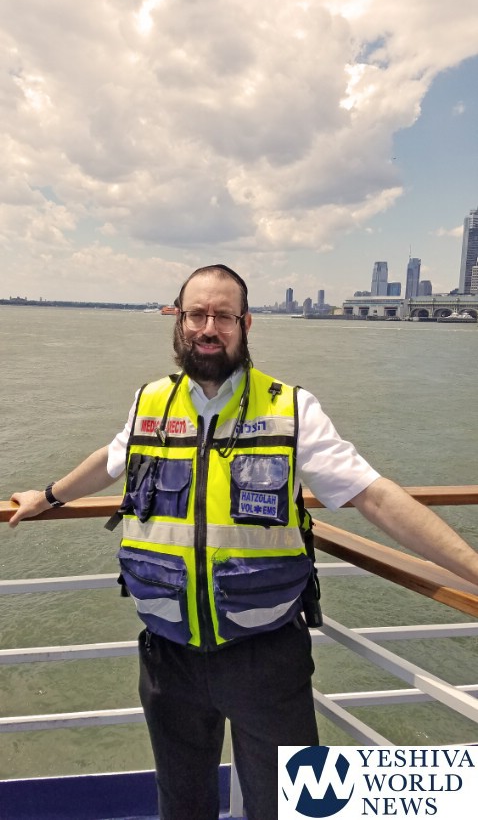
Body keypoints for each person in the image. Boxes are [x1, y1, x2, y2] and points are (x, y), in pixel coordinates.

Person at [8, 264, 478, 820]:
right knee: (182, 804)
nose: (209, 328)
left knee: (282, 806)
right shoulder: (150, 403)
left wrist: (472, 569)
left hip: (266, 655)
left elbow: (374, 496)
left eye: (223, 316)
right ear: (178, 320)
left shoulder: (290, 408)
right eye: (197, 315)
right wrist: (48, 496)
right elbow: (110, 460)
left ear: (245, 324)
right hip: (168, 655)